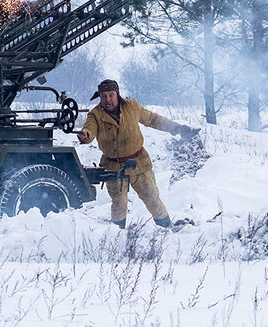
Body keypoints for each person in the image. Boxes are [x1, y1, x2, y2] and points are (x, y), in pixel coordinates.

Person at [75, 78, 199, 229]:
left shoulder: (131, 106)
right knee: (119, 204)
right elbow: (89, 129)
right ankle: (117, 235)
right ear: (99, 97)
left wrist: (178, 128)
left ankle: (167, 228)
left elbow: (153, 119)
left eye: (111, 95)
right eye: (104, 96)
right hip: (114, 167)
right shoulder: (95, 114)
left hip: (139, 162)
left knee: (152, 199)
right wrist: (85, 135)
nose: (108, 100)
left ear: (117, 94)